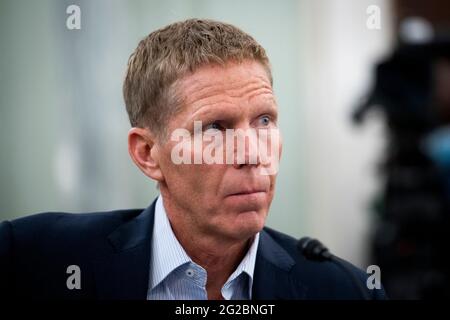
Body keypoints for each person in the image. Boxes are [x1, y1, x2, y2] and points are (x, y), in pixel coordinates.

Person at [0, 18, 386, 300]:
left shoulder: (344, 289)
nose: (253, 153)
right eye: (216, 127)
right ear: (147, 153)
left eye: (264, 120)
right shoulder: (31, 260)